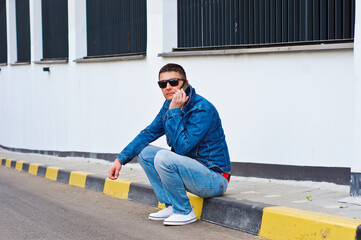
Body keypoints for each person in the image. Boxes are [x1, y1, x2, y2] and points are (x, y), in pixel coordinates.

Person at [109, 63, 231, 226]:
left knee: (163, 157)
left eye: (173, 82)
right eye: (162, 84)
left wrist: (174, 111)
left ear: (185, 82)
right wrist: (120, 159)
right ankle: (172, 205)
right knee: (145, 153)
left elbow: (183, 148)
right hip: (193, 172)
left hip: (214, 180)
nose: (168, 87)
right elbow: (149, 132)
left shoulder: (202, 109)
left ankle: (184, 211)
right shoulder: (170, 105)